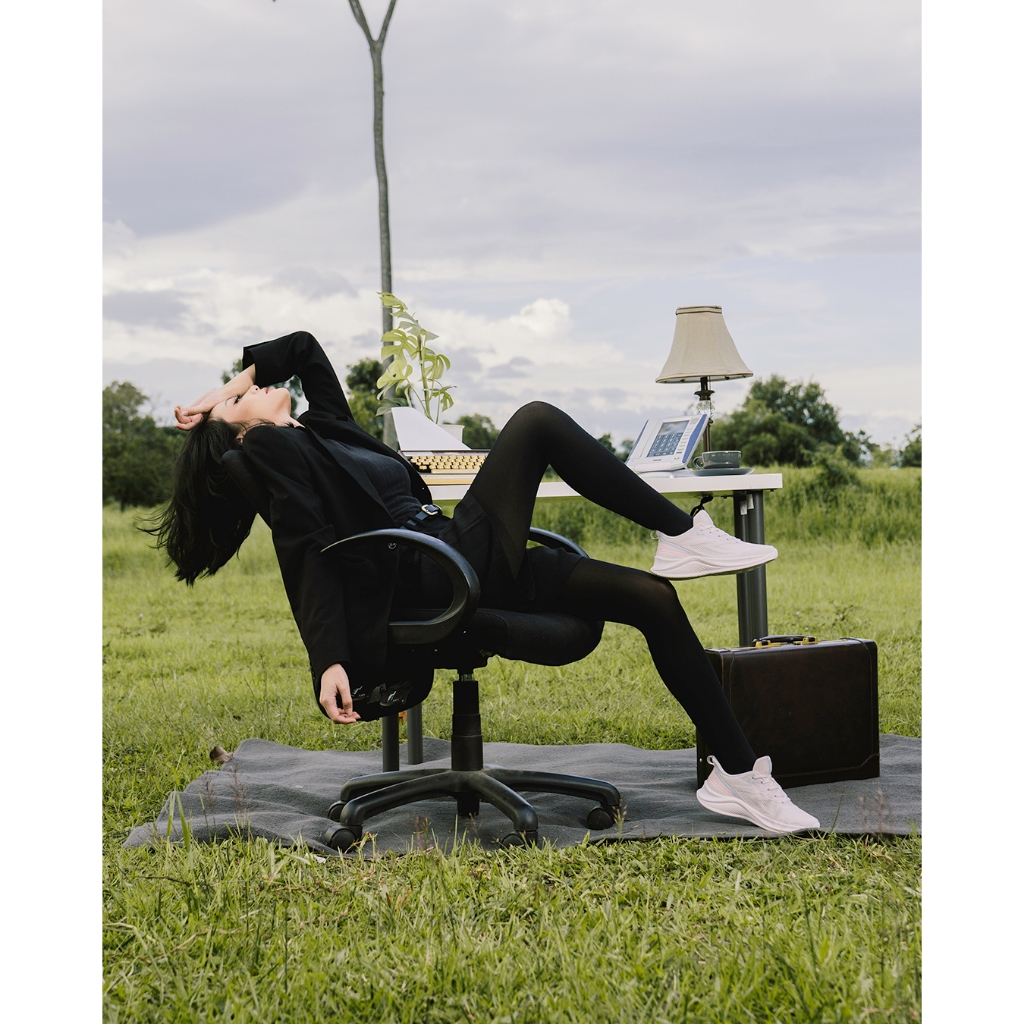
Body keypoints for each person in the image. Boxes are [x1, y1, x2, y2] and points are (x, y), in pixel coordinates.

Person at [156, 331, 818, 834]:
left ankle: (737, 776)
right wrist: (327, 656)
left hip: (463, 557)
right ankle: (681, 532)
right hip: (433, 570)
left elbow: (302, 348)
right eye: (240, 400)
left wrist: (223, 393)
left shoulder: (320, 428)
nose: (252, 389)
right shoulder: (272, 450)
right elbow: (310, 551)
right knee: (536, 422)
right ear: (242, 435)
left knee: (653, 598)